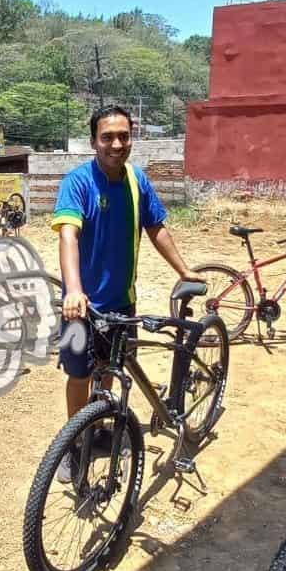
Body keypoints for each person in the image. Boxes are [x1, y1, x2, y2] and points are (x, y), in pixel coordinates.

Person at [52, 105, 205, 482]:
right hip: (80, 309)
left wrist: (184, 270)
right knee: (78, 376)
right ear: (93, 142)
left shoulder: (137, 181)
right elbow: (68, 235)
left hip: (122, 303)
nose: (116, 144)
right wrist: (73, 290)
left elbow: (157, 228)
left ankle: (101, 429)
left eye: (123, 136)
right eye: (107, 137)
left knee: (110, 370)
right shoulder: (78, 182)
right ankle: (76, 442)